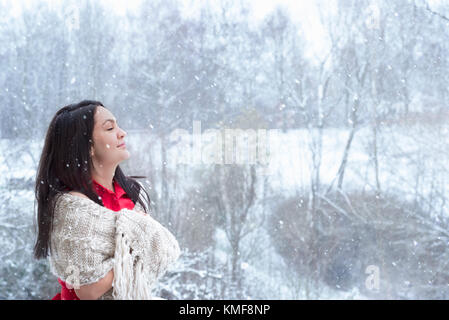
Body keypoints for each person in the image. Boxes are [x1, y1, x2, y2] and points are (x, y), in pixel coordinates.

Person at [33, 100, 180, 300]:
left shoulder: (127, 193)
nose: (122, 133)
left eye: (117, 125)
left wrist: (137, 239)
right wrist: (135, 242)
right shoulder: (73, 208)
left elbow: (152, 260)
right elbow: (86, 290)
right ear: (88, 147)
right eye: (110, 128)